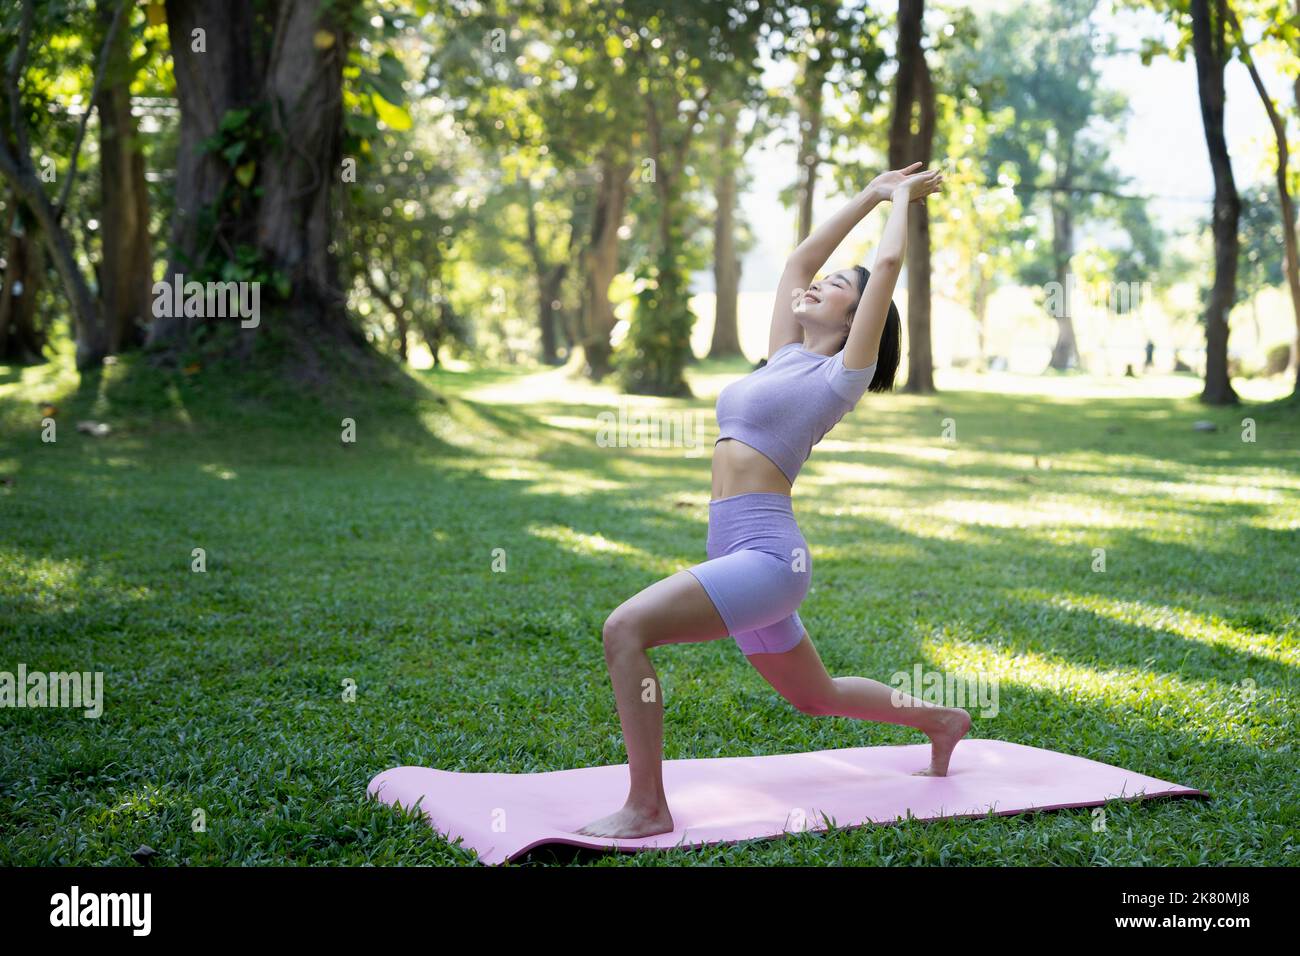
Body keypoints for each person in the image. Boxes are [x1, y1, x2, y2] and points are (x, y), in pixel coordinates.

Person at [576, 162, 972, 839]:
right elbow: (799, 259)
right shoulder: (784, 355)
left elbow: (887, 261)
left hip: (766, 557)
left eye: (839, 287)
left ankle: (647, 806)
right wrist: (870, 192)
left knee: (625, 630)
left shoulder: (840, 376)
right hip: (733, 549)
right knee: (816, 697)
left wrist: (901, 202)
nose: (819, 284)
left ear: (858, 319)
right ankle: (941, 718)